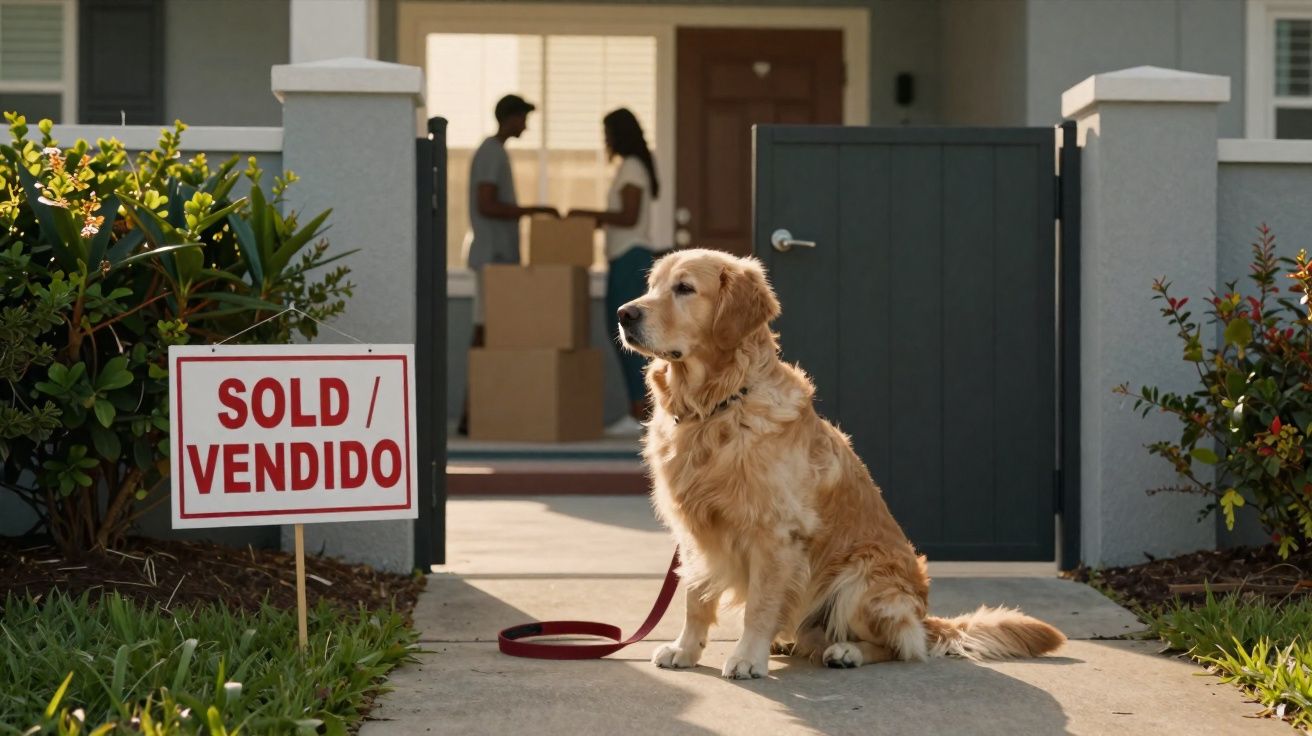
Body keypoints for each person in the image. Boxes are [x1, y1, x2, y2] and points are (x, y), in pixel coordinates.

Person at [457, 94, 559, 436]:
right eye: (523, 119)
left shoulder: (496, 151)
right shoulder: (491, 152)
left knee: (491, 332)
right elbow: (486, 203)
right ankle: (471, 413)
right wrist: (532, 211)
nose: (525, 126)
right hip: (491, 259)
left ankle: (479, 411)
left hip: (498, 260)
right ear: (510, 118)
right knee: (484, 331)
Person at [570, 108, 662, 437]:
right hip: (623, 257)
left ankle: (642, 411)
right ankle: (639, 409)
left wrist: (589, 214)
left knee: (632, 333)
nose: (605, 139)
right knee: (627, 333)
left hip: (629, 257)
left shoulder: (632, 166)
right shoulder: (630, 166)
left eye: (607, 132)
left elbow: (628, 216)